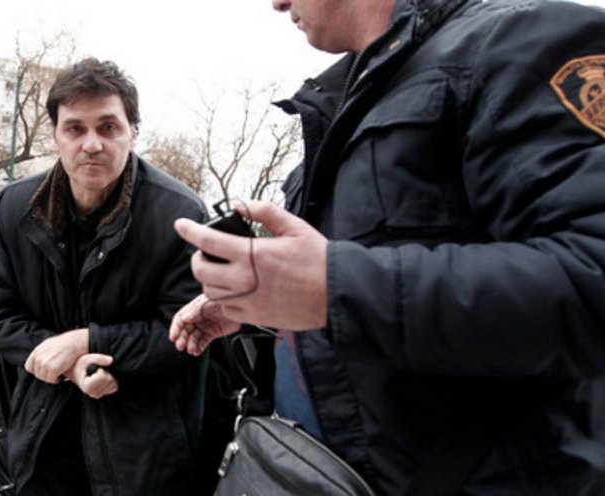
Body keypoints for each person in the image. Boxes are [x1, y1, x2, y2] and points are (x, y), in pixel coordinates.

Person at [170, 0, 605, 494]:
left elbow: (591, 278)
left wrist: (332, 290)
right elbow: (363, 295)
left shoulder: (522, 41)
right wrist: (264, 307)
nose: (277, 4)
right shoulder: (345, 104)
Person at [0, 58, 209, 496]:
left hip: (140, 455)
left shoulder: (181, 216)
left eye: (108, 127)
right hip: (42, 444)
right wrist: (69, 363)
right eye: (75, 129)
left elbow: (186, 333)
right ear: (55, 136)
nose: (92, 144)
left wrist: (90, 343)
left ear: (132, 133)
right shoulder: (15, 208)